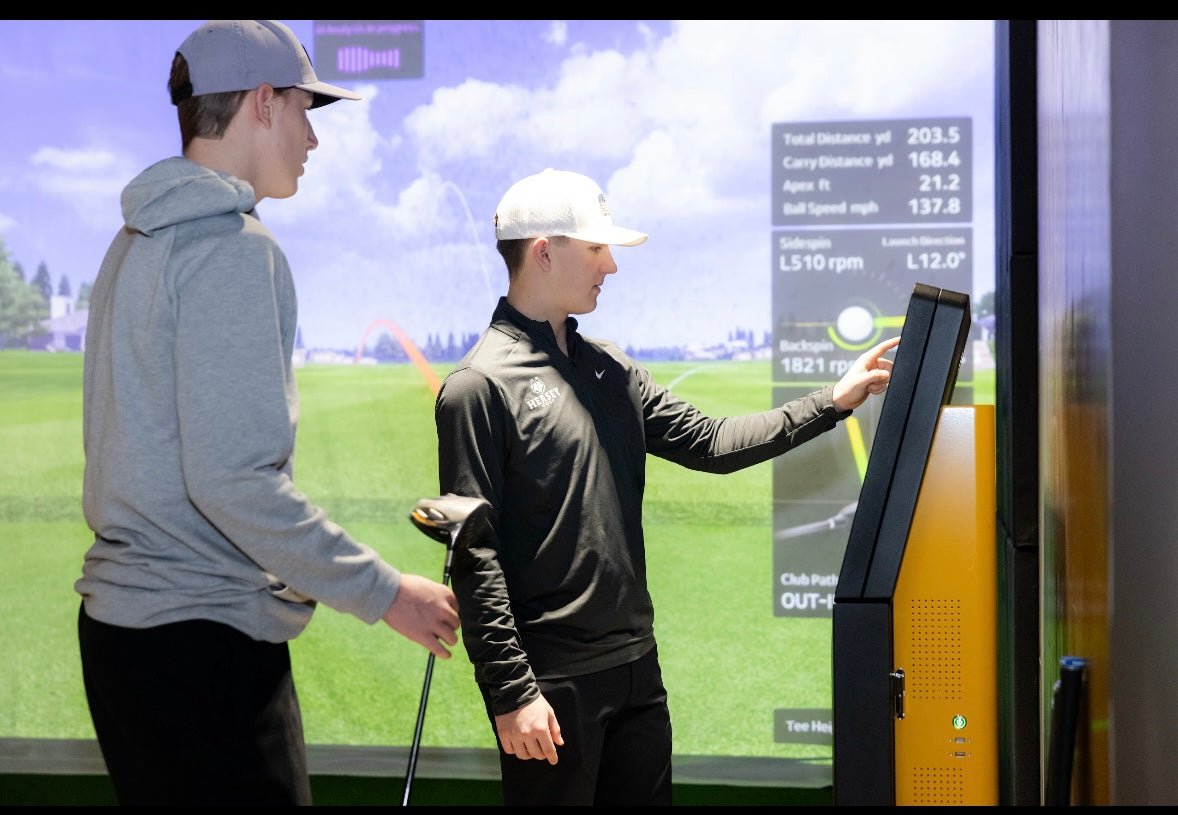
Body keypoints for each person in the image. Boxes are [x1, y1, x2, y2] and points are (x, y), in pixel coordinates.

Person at [74, 20, 459, 806]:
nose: (313, 137)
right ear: (261, 103)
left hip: (121, 638)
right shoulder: (238, 249)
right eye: (304, 110)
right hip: (203, 649)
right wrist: (389, 593)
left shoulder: (131, 242)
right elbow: (233, 480)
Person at [433, 167, 901, 806]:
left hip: (636, 672)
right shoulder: (477, 387)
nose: (611, 267)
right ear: (544, 251)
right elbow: (472, 553)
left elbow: (714, 443)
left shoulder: (609, 370)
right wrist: (513, 693)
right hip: (552, 685)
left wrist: (834, 400)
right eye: (597, 249)